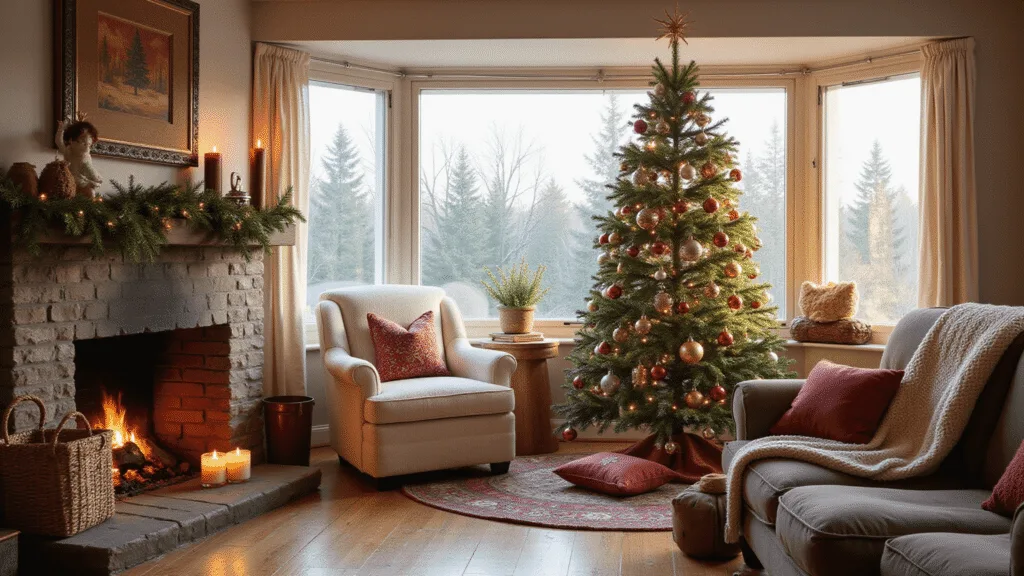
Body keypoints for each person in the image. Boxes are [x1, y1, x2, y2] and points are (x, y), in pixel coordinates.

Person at [55, 112, 103, 196]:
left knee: (90, 192)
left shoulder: (86, 156)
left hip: (83, 180)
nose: (87, 147)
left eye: (89, 144)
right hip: (70, 180)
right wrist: (60, 130)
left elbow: (89, 170)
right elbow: (59, 142)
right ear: (71, 141)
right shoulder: (69, 151)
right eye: (83, 142)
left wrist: (96, 178)